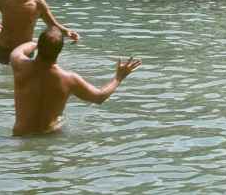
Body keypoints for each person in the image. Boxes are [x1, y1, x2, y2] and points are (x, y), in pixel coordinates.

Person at [10, 28, 140, 137]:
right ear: (60, 50)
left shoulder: (20, 65)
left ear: (40, 46)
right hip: (50, 137)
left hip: (21, 136)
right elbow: (99, 97)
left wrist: (38, 43)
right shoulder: (69, 79)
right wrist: (119, 77)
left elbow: (18, 50)